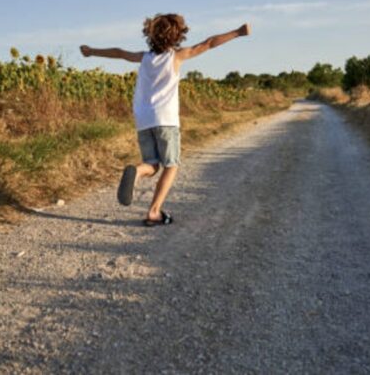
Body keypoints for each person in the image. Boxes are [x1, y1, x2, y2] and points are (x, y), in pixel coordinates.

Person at [80, 14, 251, 226]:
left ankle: (138, 172)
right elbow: (208, 43)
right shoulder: (177, 56)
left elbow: (119, 53)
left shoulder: (143, 58)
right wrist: (237, 32)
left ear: (150, 34)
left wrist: (91, 51)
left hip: (143, 119)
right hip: (166, 120)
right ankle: (154, 211)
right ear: (178, 36)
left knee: (152, 164)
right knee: (171, 165)